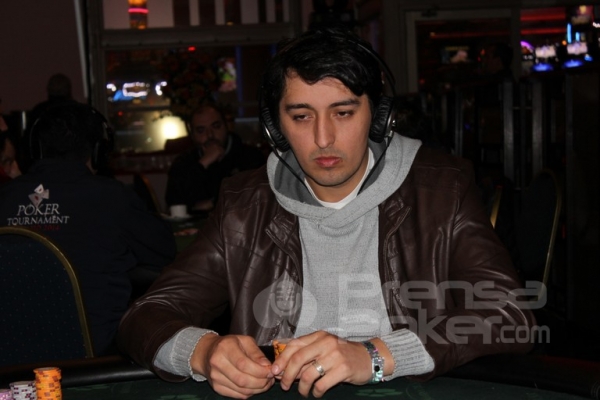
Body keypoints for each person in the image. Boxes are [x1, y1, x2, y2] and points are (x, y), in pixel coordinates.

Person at [118, 27, 535, 399]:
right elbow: (144, 317)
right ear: (275, 128)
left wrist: (375, 355)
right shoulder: (243, 205)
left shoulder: (443, 189)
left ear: (379, 118)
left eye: (343, 112)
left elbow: (508, 314)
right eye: (301, 116)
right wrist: (204, 351)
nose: (323, 138)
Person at [0, 103, 176, 355]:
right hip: (94, 357)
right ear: (98, 151)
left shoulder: (5, 197)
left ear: (34, 149)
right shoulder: (112, 197)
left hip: (12, 355)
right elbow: (165, 252)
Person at [165, 103, 266, 212]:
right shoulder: (184, 161)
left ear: (226, 126)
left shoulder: (250, 156)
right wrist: (202, 164)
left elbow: (258, 196)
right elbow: (174, 203)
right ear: (192, 135)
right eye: (201, 130)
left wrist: (213, 203)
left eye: (216, 126)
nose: (210, 135)